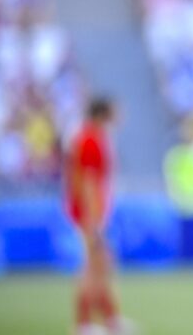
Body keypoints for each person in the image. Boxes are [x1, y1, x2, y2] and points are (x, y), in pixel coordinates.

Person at [65, 97, 131, 335]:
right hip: (89, 214)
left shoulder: (90, 137)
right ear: (104, 113)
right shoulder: (91, 139)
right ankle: (83, 324)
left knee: (102, 264)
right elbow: (89, 183)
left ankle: (109, 320)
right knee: (94, 266)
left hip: (91, 212)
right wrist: (93, 221)